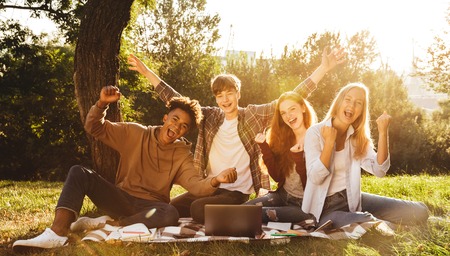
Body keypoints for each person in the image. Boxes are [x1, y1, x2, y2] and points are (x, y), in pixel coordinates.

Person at [128, 46, 346, 224]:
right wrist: (147, 73)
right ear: (215, 99)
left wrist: (323, 69)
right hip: (210, 186)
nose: (225, 99)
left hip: (236, 192)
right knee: (171, 208)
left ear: (238, 94)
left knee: (197, 210)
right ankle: (126, 220)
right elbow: (177, 100)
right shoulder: (210, 117)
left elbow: (290, 98)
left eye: (229, 93)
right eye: (219, 95)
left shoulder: (252, 115)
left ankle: (241, 211)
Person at [12, 85, 237, 252]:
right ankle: (56, 234)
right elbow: (94, 127)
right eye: (175, 119)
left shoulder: (182, 154)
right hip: (121, 197)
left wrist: (216, 180)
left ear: (184, 132)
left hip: (150, 207)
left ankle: (111, 224)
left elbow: (197, 186)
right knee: (79, 172)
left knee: (170, 212)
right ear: (165, 117)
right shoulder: (135, 132)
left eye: (183, 126)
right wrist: (102, 104)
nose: (176, 127)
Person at [303, 82, 429, 229]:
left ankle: (382, 223)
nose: (352, 106)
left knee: (419, 212)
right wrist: (329, 144)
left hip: (352, 199)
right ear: (339, 102)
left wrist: (383, 132)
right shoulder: (315, 133)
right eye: (348, 100)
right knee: (366, 221)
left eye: (358, 103)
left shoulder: (357, 138)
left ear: (362, 110)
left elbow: (380, 170)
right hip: (323, 210)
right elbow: (315, 177)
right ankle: (387, 226)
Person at [244, 91, 317, 225]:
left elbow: (313, 187)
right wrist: (264, 147)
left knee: (256, 215)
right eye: (283, 113)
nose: (288, 116)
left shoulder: (317, 139)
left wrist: (299, 158)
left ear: (303, 108)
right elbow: (277, 177)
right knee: (245, 209)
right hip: (282, 195)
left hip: (304, 205)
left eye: (292, 109)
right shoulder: (285, 139)